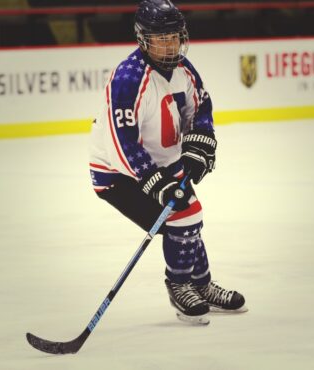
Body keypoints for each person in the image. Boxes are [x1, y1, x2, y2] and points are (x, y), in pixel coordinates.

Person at [89, 0, 247, 325]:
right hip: (118, 174)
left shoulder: (183, 69)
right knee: (184, 218)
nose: (170, 43)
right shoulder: (129, 78)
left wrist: (200, 143)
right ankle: (180, 286)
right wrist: (151, 179)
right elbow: (121, 140)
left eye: (174, 35)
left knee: (189, 221)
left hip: (162, 165)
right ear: (143, 39)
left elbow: (200, 105)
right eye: (161, 37)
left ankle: (201, 285)